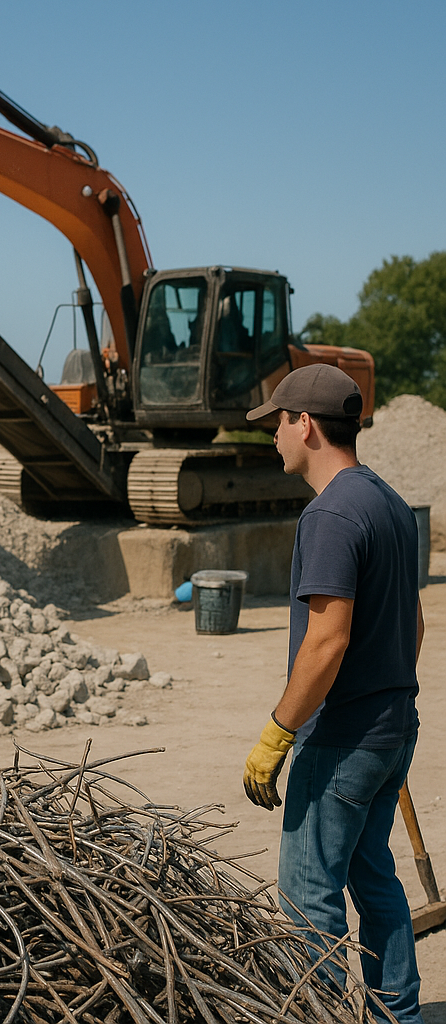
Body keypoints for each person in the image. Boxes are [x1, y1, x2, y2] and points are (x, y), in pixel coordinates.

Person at [241, 364, 424, 1024]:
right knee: (373, 878)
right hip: (391, 729)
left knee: (309, 897)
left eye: (278, 425)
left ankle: (313, 1016)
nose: (273, 440)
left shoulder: (332, 514)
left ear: (306, 424)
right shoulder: (390, 503)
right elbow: (416, 621)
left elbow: (327, 641)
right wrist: (389, 707)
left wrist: (276, 735)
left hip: (343, 738)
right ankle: (397, 1015)